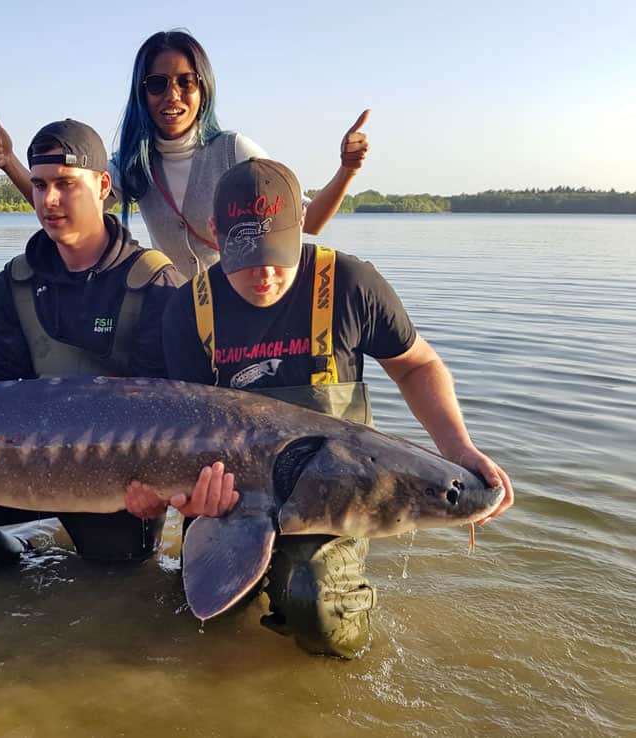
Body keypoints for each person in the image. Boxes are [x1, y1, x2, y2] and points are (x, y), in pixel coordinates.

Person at [125, 158, 514, 658]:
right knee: (200, 623)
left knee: (320, 613)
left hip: (337, 490)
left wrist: (457, 447)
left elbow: (417, 366)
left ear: (302, 221)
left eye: (276, 252)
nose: (263, 272)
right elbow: (183, 431)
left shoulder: (350, 283)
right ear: (214, 232)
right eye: (244, 255)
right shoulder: (189, 307)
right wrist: (184, 497)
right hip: (231, 493)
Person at [0, 119, 189, 570]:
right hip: (20, 467)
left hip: (116, 484)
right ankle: (20, 580)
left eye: (65, 184)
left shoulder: (156, 282)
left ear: (103, 185)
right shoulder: (15, 282)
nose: (49, 200)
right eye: (39, 185)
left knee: (117, 586)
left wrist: (160, 489)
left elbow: (172, 414)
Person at [0, 29, 369, 278]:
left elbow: (310, 221)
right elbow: (68, 204)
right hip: (181, 310)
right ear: (141, 92)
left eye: (186, 82)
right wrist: (10, 162)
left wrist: (347, 169)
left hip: (245, 310)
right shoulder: (134, 161)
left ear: (204, 89)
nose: (173, 95)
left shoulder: (235, 151)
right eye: (157, 83)